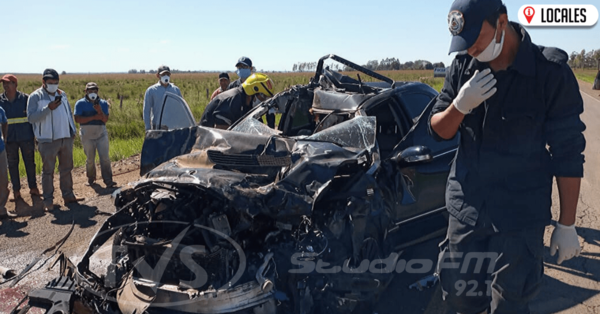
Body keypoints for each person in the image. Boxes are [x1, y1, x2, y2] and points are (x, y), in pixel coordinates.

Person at [429, 1, 586, 313]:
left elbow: (568, 152)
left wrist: (567, 224)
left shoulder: (549, 72)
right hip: (467, 206)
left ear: (502, 21)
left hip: (519, 214)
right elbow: (438, 130)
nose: (471, 50)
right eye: (465, 44)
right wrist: (459, 107)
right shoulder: (462, 67)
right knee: (459, 297)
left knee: (509, 305)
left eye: (477, 40)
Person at [27, 69, 84, 211]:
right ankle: (48, 201)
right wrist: (48, 108)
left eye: (56, 83)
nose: (53, 85)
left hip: (65, 137)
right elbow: (31, 118)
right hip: (47, 141)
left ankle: (68, 195)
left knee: (66, 169)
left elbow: (68, 113)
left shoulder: (62, 94)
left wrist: (72, 130)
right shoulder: (35, 97)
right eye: (50, 83)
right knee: (48, 171)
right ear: (43, 82)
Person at [0, 74, 39, 204]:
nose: (5, 85)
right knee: (12, 165)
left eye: (8, 83)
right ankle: (16, 191)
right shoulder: (0, 101)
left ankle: (33, 188)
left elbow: (33, 120)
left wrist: (36, 137)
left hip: (26, 137)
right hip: (9, 140)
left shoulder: (26, 99)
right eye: (4, 83)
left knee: (30, 163)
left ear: (15, 84)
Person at [74, 82, 116, 188]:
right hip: (86, 135)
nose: (92, 93)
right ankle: (91, 178)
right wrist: (93, 117)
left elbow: (105, 119)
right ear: (86, 92)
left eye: (94, 91)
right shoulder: (80, 103)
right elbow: (77, 119)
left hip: (101, 133)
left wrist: (100, 111)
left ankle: (108, 180)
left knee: (105, 158)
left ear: (97, 91)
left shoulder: (103, 103)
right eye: (90, 91)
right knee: (90, 159)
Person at [200, 73, 274, 129]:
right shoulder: (232, 101)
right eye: (264, 97)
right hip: (206, 142)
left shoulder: (246, 103)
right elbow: (222, 132)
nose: (264, 101)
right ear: (253, 91)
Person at [143, 65, 182, 130]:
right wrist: (148, 129)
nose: (166, 76)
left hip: (173, 126)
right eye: (163, 74)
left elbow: (180, 109)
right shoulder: (151, 91)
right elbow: (146, 111)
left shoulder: (176, 90)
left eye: (167, 74)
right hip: (158, 127)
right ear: (158, 75)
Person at [0, 105, 11, 219]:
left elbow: (5, 122)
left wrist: (4, 137)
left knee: (3, 179)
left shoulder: (0, 110)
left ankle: (1, 209)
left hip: (0, 149)